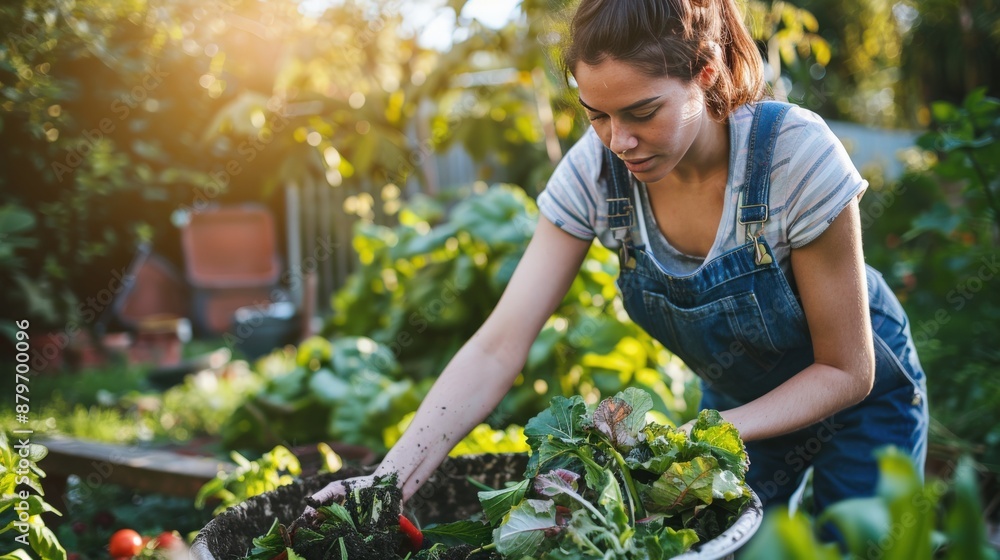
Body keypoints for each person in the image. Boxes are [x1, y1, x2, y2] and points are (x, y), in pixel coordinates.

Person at [310, 0, 928, 523]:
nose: (618, 141)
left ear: (706, 75)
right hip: (734, 406)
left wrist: (696, 436)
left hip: (857, 404)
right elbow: (499, 344)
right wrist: (387, 482)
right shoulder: (595, 171)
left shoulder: (794, 155)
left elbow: (847, 370)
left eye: (642, 112)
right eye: (596, 114)